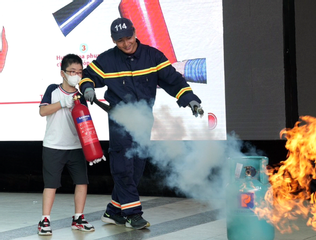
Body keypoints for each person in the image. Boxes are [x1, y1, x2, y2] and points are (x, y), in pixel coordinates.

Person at [79, 17, 203, 230]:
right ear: (113, 40)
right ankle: (133, 214)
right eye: (120, 41)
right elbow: (86, 76)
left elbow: (173, 80)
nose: (126, 43)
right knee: (123, 166)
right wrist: (88, 87)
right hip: (120, 121)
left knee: (137, 167)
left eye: (128, 38)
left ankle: (113, 211)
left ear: (135, 33)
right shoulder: (107, 60)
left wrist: (189, 98)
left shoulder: (153, 56)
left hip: (144, 121)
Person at [38, 54, 95, 235]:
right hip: (53, 145)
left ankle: (78, 218)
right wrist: (62, 103)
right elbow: (43, 111)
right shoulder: (53, 90)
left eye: (79, 72)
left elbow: (85, 123)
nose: (76, 76)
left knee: (82, 182)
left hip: (76, 146)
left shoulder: (81, 95)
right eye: (72, 71)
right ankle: (45, 220)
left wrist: (93, 148)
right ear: (63, 73)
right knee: (51, 184)